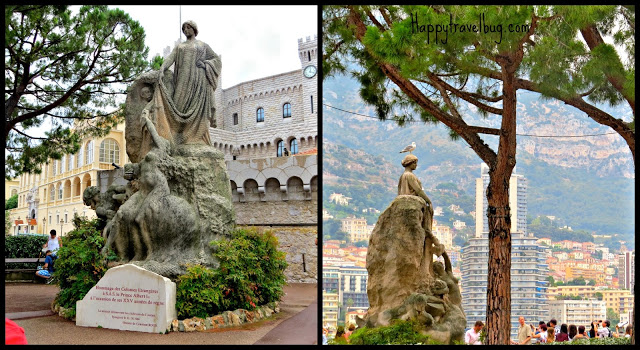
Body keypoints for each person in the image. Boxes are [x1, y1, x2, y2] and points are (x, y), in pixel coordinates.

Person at [157, 20, 222, 146]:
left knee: (198, 110)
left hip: (199, 81)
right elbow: (170, 58)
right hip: (182, 81)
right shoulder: (180, 47)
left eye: (188, 27)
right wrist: (162, 68)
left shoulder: (203, 45)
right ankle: (177, 136)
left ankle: (195, 138)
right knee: (178, 104)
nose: (186, 30)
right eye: (184, 28)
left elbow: (216, 60)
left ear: (194, 29)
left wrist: (205, 64)